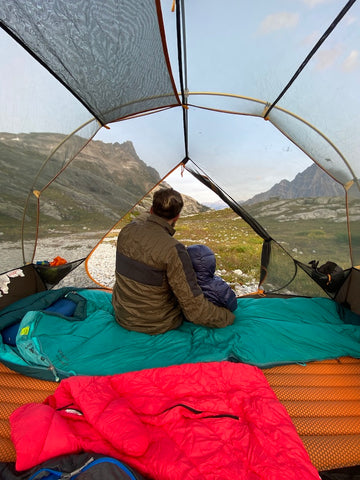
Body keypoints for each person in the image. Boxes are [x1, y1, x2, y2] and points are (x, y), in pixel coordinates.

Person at [112, 187, 235, 334]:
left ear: (151, 210)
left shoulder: (127, 231)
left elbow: (143, 219)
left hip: (122, 315)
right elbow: (195, 310)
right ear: (176, 217)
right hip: (156, 324)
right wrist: (228, 317)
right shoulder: (174, 250)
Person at [187, 244, 238, 312]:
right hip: (215, 319)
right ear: (211, 262)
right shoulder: (218, 286)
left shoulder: (181, 284)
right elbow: (233, 305)